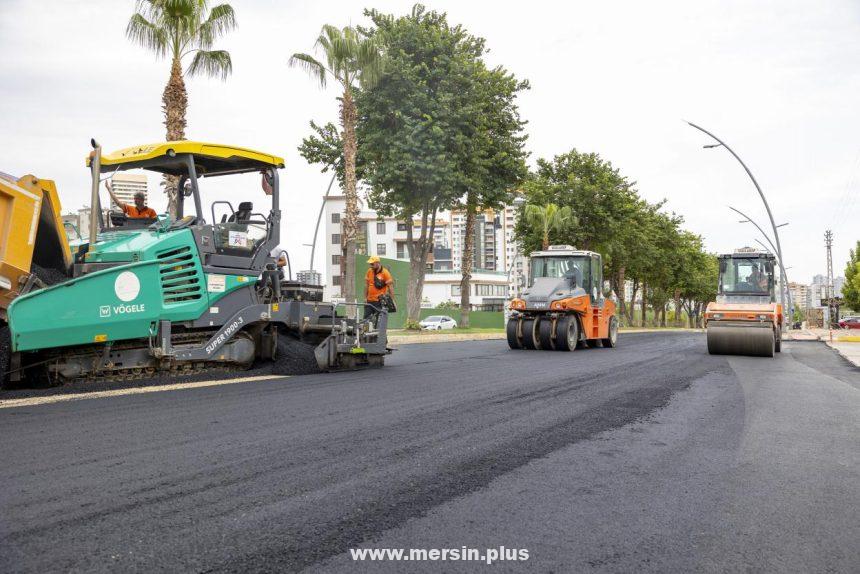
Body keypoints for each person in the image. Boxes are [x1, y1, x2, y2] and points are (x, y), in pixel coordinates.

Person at [365, 256, 394, 324]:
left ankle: (377, 334)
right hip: (369, 301)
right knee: (366, 319)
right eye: (370, 264)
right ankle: (365, 334)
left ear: (378, 263)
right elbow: (366, 285)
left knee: (378, 322)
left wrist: (392, 300)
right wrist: (365, 298)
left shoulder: (385, 273)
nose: (370, 265)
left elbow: (390, 287)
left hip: (379, 302)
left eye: (372, 264)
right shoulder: (369, 271)